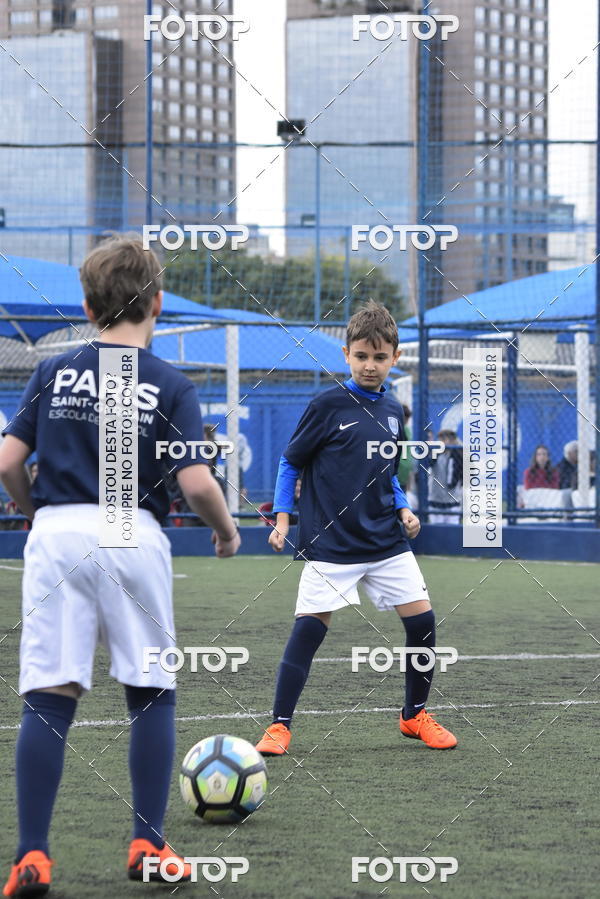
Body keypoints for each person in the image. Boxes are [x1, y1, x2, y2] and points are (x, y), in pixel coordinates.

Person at [0, 236, 241, 897]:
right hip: (133, 532)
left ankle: (33, 857)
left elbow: (6, 461)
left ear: (87, 305)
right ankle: (147, 843)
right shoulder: (170, 382)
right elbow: (195, 482)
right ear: (157, 302)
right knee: (151, 691)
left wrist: (33, 512)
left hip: (58, 532)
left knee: (49, 698)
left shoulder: (53, 372)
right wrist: (225, 533)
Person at [255, 300, 457, 758]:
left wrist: (404, 509)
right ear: (346, 354)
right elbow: (291, 461)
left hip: (385, 539)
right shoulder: (326, 404)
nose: (370, 365)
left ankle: (414, 715)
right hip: (330, 543)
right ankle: (279, 726)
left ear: (395, 359)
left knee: (423, 622)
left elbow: (388, 474)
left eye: (379, 357)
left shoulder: (393, 409)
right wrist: (283, 518)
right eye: (361, 356)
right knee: (308, 631)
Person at [428, 429, 463, 524]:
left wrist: (457, 445)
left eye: (445, 439)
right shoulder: (435, 454)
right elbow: (428, 463)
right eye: (441, 439)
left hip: (453, 503)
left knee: (452, 534)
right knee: (436, 533)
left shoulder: (458, 455)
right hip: (436, 502)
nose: (442, 442)